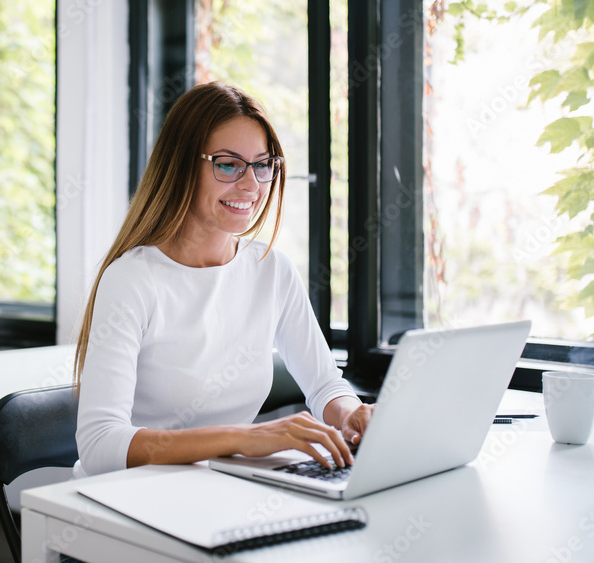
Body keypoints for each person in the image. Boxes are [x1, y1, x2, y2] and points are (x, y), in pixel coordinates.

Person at [73, 81, 373, 478]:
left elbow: (324, 386)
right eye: (228, 164)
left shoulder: (271, 269)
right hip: (129, 499)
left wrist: (351, 413)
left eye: (263, 165)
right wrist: (243, 438)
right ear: (181, 166)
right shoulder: (132, 280)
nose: (251, 185)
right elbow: (99, 445)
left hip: (222, 488)